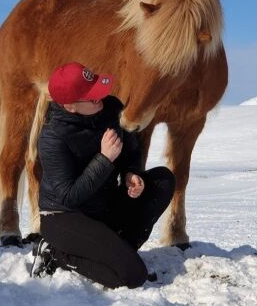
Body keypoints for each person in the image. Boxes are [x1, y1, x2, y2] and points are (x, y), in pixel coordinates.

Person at [33, 61, 175, 289]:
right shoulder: (53, 138)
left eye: (98, 89)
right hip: (65, 216)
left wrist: (131, 173)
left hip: (102, 207)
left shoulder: (110, 109)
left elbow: (131, 149)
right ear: (70, 106)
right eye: (91, 97)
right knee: (132, 276)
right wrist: (104, 159)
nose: (100, 97)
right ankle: (56, 253)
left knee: (162, 180)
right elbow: (69, 196)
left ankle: (120, 251)